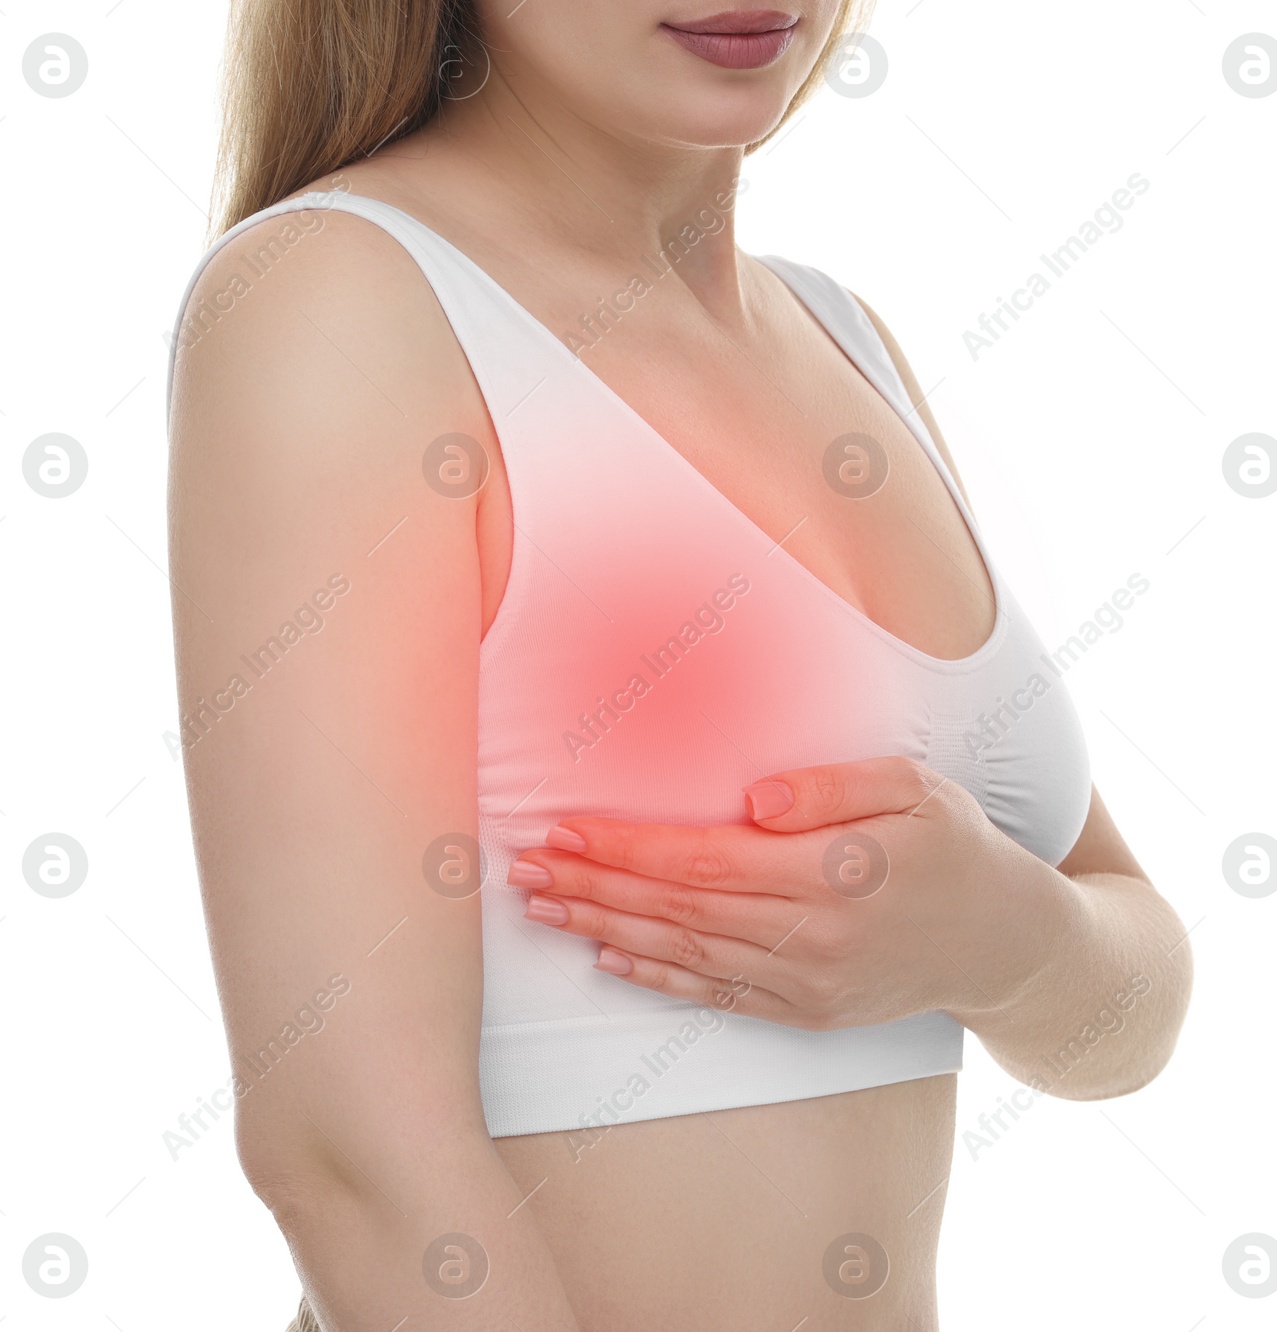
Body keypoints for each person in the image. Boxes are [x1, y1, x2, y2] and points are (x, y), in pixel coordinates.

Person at [165, 2, 1193, 1327]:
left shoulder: (843, 338)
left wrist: (1005, 941)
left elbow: (1134, 999)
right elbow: (353, 1161)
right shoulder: (342, 299)